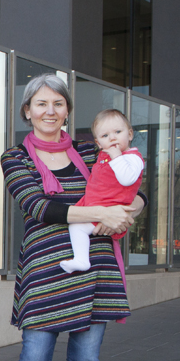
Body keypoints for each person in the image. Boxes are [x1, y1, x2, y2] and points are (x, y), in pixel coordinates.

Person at [0, 75, 145, 361]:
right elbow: (37, 206)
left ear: (67, 110)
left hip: (95, 271)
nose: (50, 111)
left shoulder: (88, 149)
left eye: (58, 103)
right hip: (46, 274)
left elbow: (132, 184)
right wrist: (101, 213)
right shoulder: (16, 157)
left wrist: (128, 208)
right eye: (41, 103)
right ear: (28, 110)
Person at [59, 109, 144, 273]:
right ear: (98, 143)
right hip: (96, 204)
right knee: (76, 227)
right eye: (105, 136)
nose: (112, 138)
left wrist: (117, 157)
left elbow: (128, 179)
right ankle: (81, 259)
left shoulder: (132, 157)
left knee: (78, 227)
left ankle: (82, 259)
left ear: (130, 134)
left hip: (111, 206)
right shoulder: (102, 156)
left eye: (118, 132)